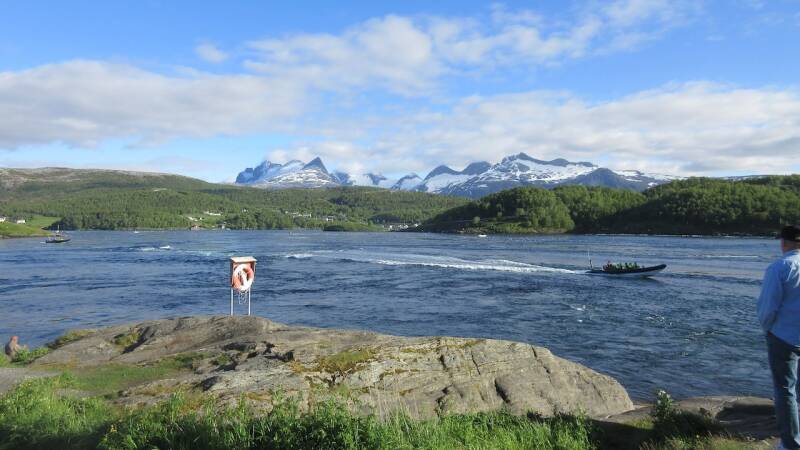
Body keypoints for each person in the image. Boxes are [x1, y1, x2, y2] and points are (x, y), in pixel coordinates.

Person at [758, 224, 800, 449]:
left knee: (785, 392)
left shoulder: (779, 267)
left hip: (784, 337)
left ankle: (790, 444)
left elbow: (767, 309)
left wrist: (768, 330)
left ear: (783, 243)